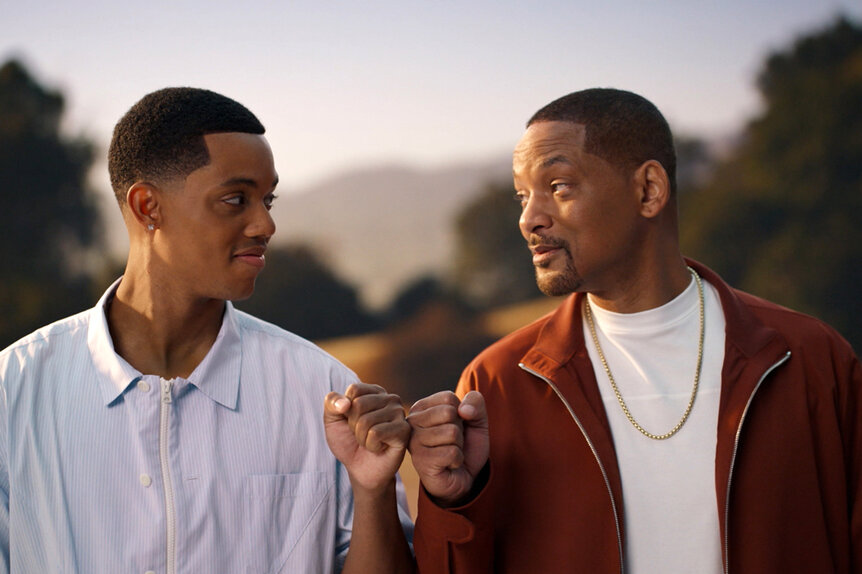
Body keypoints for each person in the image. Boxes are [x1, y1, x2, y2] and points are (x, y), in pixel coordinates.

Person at [407, 88, 861, 573]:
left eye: (558, 186)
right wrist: (453, 502)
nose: (528, 219)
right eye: (523, 196)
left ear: (648, 190)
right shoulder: (495, 385)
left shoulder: (810, 359)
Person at [0, 87, 414, 573]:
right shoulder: (13, 392)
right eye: (236, 199)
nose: (265, 225)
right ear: (147, 207)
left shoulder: (324, 393)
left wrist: (372, 492)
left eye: (268, 199)